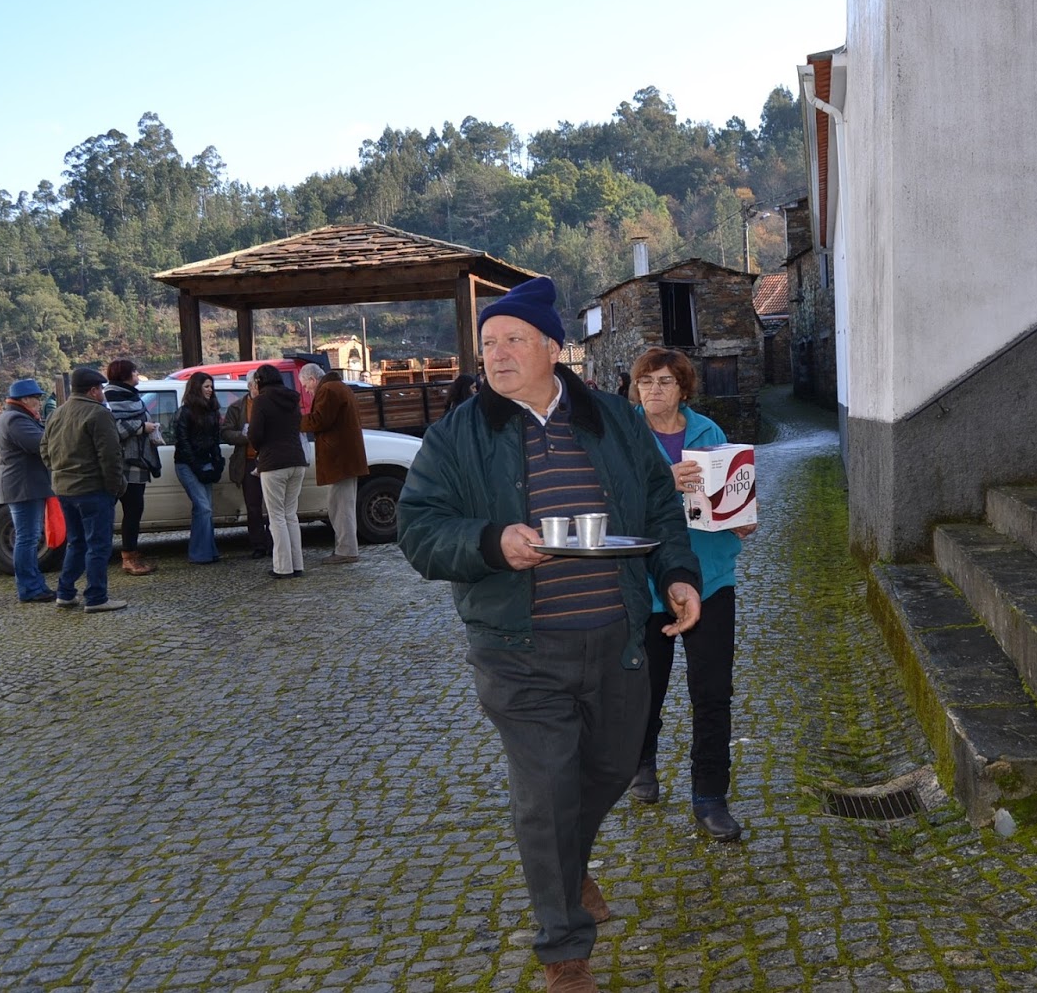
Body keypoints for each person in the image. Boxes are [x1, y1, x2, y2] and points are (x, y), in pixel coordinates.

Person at [397, 275, 702, 993]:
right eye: (487, 343)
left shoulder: (613, 420)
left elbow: (660, 508)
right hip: (518, 648)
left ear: (553, 349)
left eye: (513, 340)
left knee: (612, 768)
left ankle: (568, 863)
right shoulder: (458, 434)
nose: (497, 354)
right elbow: (417, 529)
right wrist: (490, 542)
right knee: (545, 791)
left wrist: (678, 574)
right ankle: (566, 952)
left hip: (618, 638)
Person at [626, 347, 757, 842]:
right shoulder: (625, 435)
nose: (653, 390)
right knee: (646, 687)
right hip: (648, 580)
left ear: (683, 388)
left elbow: (729, 492)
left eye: (664, 381)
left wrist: (741, 516)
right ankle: (642, 760)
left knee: (712, 691)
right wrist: (665, 480)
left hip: (711, 574)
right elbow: (610, 500)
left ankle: (710, 796)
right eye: (645, 382)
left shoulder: (709, 433)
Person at [39, 367, 127, 613]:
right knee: (98, 545)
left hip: (64, 489)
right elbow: (110, 456)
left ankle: (65, 593)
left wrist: (58, 469)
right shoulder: (99, 414)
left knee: (76, 543)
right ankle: (96, 597)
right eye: (101, 389)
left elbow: (44, 449)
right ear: (93, 390)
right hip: (93, 489)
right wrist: (116, 487)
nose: (103, 393)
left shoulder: (56, 413)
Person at [0, 377, 55, 603]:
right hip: (23, 486)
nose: (39, 402)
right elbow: (41, 444)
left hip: (25, 486)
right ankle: (30, 589)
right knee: (27, 538)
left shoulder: (15, 417)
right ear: (25, 399)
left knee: (29, 537)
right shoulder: (16, 420)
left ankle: (34, 585)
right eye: (36, 398)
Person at [300, 364, 368, 564]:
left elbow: (319, 420)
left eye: (306, 386)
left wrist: (296, 422)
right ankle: (346, 548)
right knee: (342, 504)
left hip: (340, 459)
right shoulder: (339, 387)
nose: (307, 390)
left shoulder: (328, 390)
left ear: (313, 379)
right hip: (346, 458)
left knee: (340, 506)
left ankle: (346, 550)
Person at [247, 364, 308, 579]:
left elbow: (254, 434)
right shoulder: (292, 398)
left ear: (260, 381)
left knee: (276, 516)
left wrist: (259, 448)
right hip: (297, 460)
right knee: (290, 515)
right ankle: (297, 564)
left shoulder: (261, 401)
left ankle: (283, 567)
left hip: (273, 463)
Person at [104, 360, 160, 576]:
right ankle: (122, 557)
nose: (138, 374)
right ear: (125, 375)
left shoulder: (133, 396)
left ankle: (131, 554)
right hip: (121, 464)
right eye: (135, 371)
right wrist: (141, 427)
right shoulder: (109, 399)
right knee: (112, 512)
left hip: (138, 462)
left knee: (134, 511)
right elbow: (112, 430)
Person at [172, 372, 224, 565]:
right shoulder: (185, 412)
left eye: (211, 386)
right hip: (187, 464)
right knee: (204, 508)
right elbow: (183, 443)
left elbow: (215, 440)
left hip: (205, 461)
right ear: (197, 388)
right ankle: (201, 553)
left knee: (204, 509)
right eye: (206, 386)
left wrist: (217, 463)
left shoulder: (212, 411)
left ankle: (206, 551)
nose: (210, 390)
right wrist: (197, 467)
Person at [221, 374, 271, 559]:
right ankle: (258, 544)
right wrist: (244, 437)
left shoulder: (269, 404)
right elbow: (226, 432)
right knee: (253, 506)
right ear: (250, 386)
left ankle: (274, 543)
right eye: (257, 385)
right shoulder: (236, 407)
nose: (260, 389)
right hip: (248, 461)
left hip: (269, 460)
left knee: (273, 505)